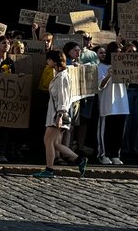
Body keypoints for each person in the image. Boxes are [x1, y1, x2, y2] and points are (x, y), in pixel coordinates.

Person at [33, 50, 89, 178]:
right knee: (56, 144)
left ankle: (49, 169)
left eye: (49, 59)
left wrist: (59, 115)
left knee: (48, 141)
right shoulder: (59, 75)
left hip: (58, 115)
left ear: (55, 61)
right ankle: (79, 160)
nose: (47, 62)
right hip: (57, 114)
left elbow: (63, 98)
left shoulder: (62, 77)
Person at [97, 42, 129, 165]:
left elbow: (127, 84)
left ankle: (115, 154)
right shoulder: (101, 66)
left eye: (121, 52)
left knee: (119, 130)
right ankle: (103, 154)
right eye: (116, 52)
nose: (119, 54)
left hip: (121, 103)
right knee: (106, 130)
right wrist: (109, 75)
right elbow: (100, 85)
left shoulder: (125, 66)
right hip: (107, 103)